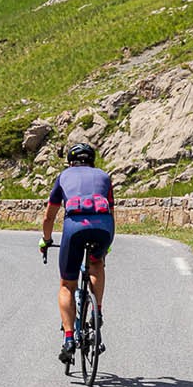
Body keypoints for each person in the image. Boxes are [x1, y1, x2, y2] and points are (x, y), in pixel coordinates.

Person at [41, 141, 113, 368]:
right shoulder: (104, 176)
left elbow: (49, 217)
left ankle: (70, 338)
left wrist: (47, 240)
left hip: (74, 229)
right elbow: (112, 211)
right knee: (96, 265)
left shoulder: (64, 177)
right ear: (92, 160)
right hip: (103, 228)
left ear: (70, 161)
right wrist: (107, 244)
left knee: (66, 285)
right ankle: (98, 311)